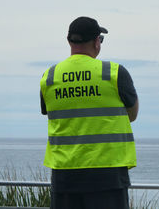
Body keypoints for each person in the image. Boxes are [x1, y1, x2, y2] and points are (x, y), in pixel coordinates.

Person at [40, 16, 139, 209]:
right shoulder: (113, 73)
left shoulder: (49, 77)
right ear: (96, 42)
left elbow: (51, 113)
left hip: (64, 177)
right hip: (108, 176)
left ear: (69, 41)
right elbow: (132, 115)